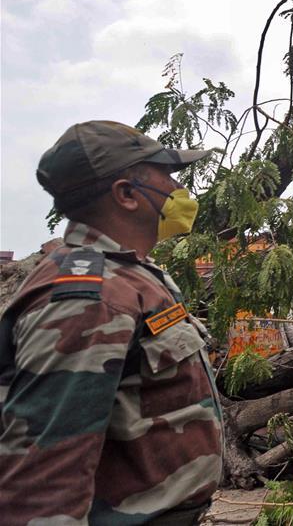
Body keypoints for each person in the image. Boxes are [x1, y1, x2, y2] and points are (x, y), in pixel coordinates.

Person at [0, 121, 223, 524]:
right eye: (167, 176)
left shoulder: (130, 275)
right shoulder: (90, 297)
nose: (178, 189)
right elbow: (43, 481)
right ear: (126, 194)